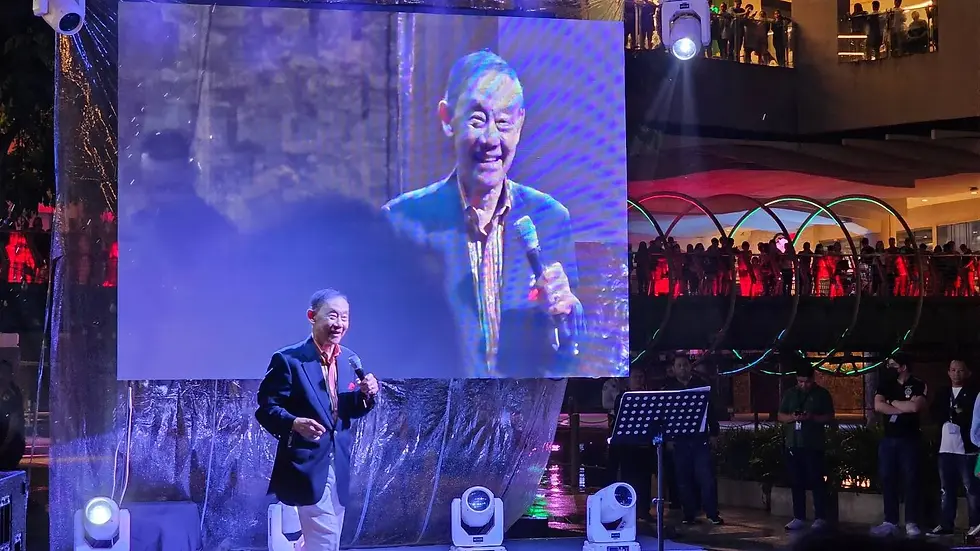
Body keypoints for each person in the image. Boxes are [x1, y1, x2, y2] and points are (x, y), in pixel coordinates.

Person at [382, 50, 584, 378]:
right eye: (477, 120)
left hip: (523, 416)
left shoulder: (550, 218)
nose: (491, 139)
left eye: (503, 122)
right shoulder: (402, 221)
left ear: (520, 123)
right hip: (436, 419)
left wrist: (568, 312)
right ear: (448, 119)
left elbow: (577, 349)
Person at [256, 289, 380, 551]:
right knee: (325, 539)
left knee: (322, 536)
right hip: (307, 465)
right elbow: (267, 408)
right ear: (312, 316)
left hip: (339, 463)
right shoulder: (289, 360)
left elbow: (347, 409)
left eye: (345, 317)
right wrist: (293, 423)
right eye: (332, 315)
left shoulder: (348, 358)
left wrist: (366, 396)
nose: (339, 324)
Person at [871, 352, 927, 538]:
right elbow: (878, 406)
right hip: (888, 439)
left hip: (910, 440)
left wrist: (892, 402)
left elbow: (915, 407)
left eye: (893, 365)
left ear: (903, 367)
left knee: (911, 479)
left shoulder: (918, 384)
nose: (889, 368)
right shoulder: (885, 384)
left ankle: (911, 521)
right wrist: (902, 406)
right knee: (888, 478)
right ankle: (890, 521)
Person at [663, 354, 723, 525]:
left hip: (700, 438)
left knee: (706, 478)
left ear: (690, 367)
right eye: (679, 365)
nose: (682, 368)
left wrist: (714, 433)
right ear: (673, 369)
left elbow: (711, 411)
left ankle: (712, 513)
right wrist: (668, 439)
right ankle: (689, 514)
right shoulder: (669, 389)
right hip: (679, 440)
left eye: (685, 365)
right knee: (683, 480)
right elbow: (665, 417)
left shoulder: (702, 386)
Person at [777, 360, 835, 531]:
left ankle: (820, 517)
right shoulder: (790, 394)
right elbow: (780, 415)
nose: (803, 385)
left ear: (813, 379)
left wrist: (812, 418)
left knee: (816, 480)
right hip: (793, 443)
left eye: (807, 381)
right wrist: (793, 417)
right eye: (800, 381)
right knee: (796, 481)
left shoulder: (821, 394)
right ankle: (798, 516)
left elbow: (830, 416)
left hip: (813, 444)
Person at [928, 360, 980, 537]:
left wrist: (960, 415)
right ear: (948, 372)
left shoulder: (974, 394)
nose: (956, 373)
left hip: (966, 448)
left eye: (960, 370)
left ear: (968, 373)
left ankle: (975, 525)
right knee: (946, 489)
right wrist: (948, 414)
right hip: (945, 448)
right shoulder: (943, 393)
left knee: (971, 489)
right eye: (953, 370)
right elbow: (933, 412)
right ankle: (945, 524)